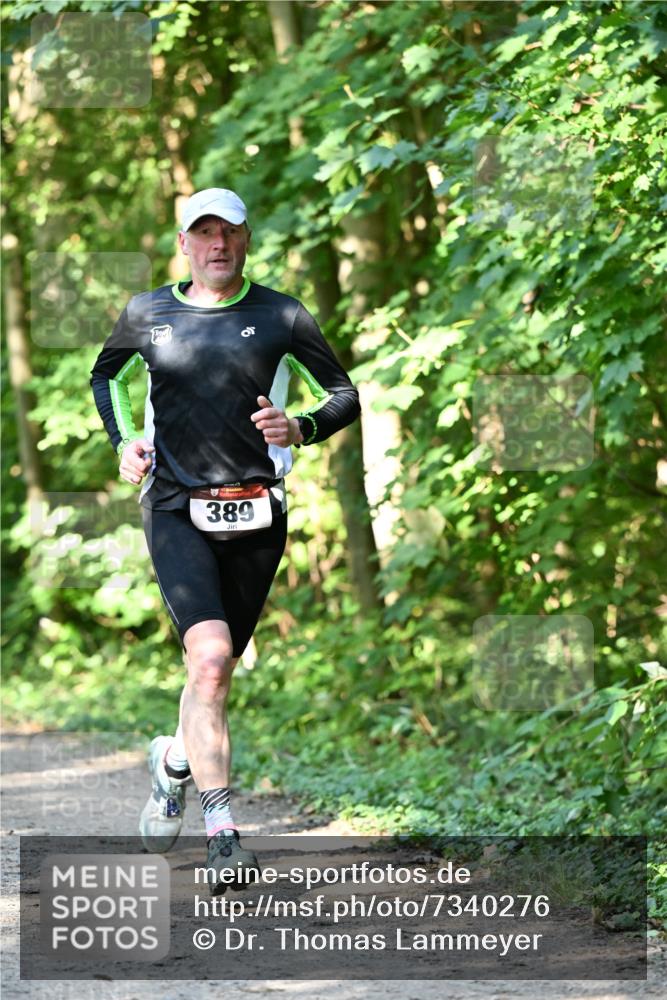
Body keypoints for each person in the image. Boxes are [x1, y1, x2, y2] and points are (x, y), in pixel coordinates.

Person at [90, 187, 360, 894]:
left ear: (245, 241)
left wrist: (300, 427)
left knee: (217, 670)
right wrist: (126, 443)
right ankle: (222, 833)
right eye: (201, 232)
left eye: (228, 232)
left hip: (257, 510)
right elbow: (106, 378)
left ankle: (176, 762)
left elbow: (343, 396)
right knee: (208, 660)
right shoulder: (148, 313)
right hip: (175, 504)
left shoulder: (280, 315)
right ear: (183, 243)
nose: (216, 244)